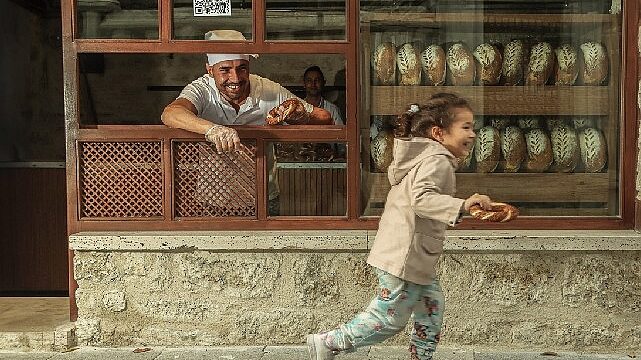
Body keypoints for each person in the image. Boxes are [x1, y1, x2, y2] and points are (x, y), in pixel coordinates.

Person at [306, 93, 493, 360]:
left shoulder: (427, 157)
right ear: (439, 133)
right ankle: (330, 342)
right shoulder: (437, 161)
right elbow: (422, 200)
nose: (473, 134)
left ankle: (421, 356)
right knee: (389, 318)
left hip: (411, 253)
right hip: (406, 254)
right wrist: (463, 205)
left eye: (472, 127)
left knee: (431, 306)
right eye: (465, 127)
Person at [161, 29, 333, 215]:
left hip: (263, 197)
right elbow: (171, 113)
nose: (235, 78)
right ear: (210, 70)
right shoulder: (202, 89)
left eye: (242, 68)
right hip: (214, 200)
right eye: (225, 70)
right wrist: (213, 129)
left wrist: (301, 114)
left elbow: (326, 118)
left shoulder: (267, 89)